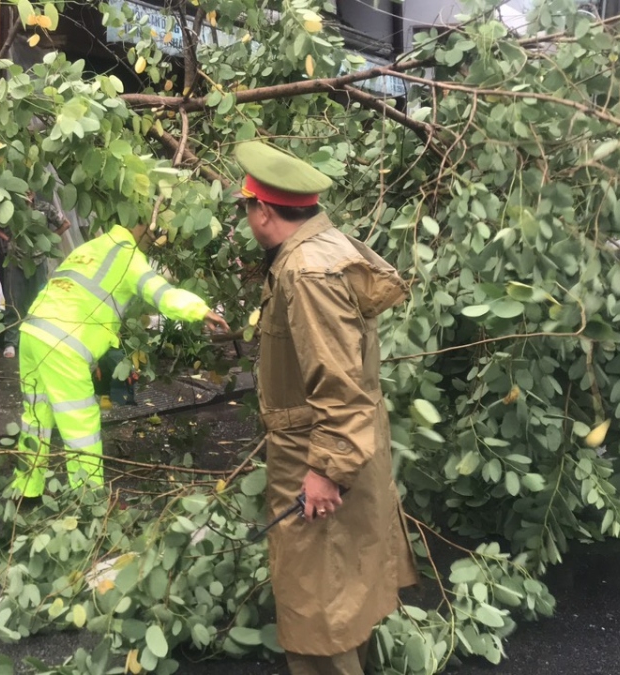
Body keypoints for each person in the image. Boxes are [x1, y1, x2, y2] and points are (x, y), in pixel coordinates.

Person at [233, 140, 418, 675]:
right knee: (342, 589)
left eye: (247, 209)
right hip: (334, 446)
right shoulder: (322, 248)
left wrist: (325, 471)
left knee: (319, 610)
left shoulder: (307, 271)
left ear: (264, 211)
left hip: (318, 454)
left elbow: (338, 386)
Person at [12, 221, 229, 498]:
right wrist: (201, 311)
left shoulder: (92, 246)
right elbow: (163, 295)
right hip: (63, 344)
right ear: (144, 226)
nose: (157, 240)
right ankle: (88, 503)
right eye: (156, 234)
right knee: (81, 425)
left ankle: (25, 491)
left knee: (35, 416)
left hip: (32, 331)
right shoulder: (129, 257)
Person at [0, 191, 72, 359]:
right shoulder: (11, 208)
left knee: (37, 302)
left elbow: (66, 223)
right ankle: (11, 343)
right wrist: (6, 238)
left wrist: (49, 240)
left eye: (29, 190)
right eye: (23, 190)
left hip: (38, 261)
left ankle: (35, 340)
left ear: (34, 191)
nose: (27, 194)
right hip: (15, 261)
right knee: (13, 301)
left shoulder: (45, 208)